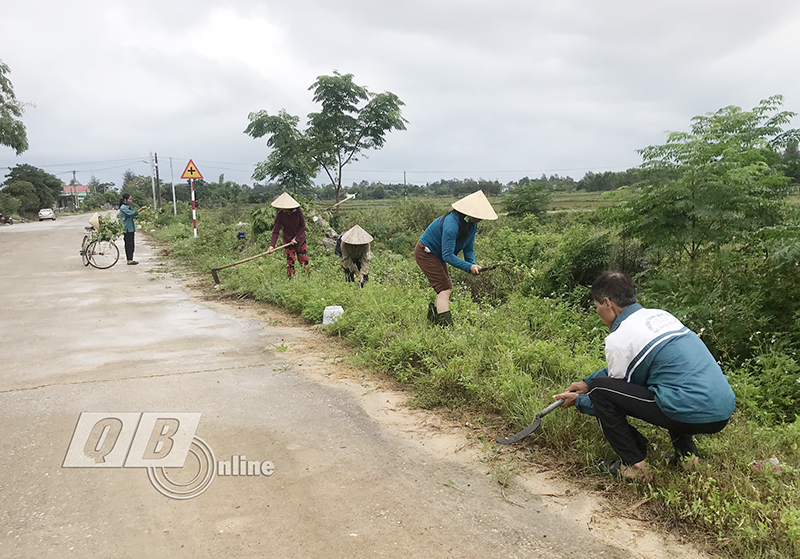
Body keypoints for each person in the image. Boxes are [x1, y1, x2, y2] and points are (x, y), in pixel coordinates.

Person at [553, 271, 736, 481]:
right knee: (669, 384)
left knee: (601, 391)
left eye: (597, 308)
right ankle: (688, 458)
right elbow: (634, 373)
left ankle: (634, 467)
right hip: (722, 411)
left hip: (687, 412)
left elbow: (612, 392)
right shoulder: (661, 316)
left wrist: (581, 400)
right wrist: (587, 382)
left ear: (607, 303)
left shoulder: (619, 338)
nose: (598, 314)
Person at [415, 190, 498, 326]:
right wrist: (468, 267)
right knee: (444, 289)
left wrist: (473, 264)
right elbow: (447, 255)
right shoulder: (451, 224)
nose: (481, 218)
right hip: (427, 253)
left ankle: (434, 321)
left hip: (437, 255)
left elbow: (468, 249)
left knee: (444, 287)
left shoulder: (472, 225)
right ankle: (445, 328)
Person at [266, 192, 308, 278]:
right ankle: (290, 279)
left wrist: (297, 238)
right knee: (290, 261)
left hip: (300, 239)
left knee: (303, 260)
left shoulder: (298, 212)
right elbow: (276, 231)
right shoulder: (280, 214)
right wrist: (272, 246)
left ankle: (306, 279)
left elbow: (302, 226)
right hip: (287, 239)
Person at [118, 194, 147, 265]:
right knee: (129, 244)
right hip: (127, 229)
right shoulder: (123, 208)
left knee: (131, 244)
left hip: (130, 228)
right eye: (130, 199)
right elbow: (131, 214)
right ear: (125, 200)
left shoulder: (127, 207)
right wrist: (140, 209)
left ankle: (130, 259)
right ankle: (129, 260)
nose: (131, 201)